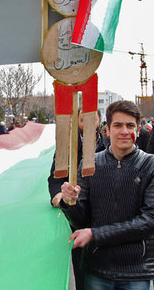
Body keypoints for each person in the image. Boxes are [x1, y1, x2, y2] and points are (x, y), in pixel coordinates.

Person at [60, 100, 154, 289]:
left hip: (136, 270)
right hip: (97, 268)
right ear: (107, 130)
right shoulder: (89, 164)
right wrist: (70, 202)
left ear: (139, 128)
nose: (124, 131)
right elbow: (81, 220)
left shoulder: (152, 165)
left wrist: (96, 234)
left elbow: (151, 221)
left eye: (130, 125)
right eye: (118, 125)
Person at [47, 108, 105, 290]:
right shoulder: (67, 148)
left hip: (105, 216)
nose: (87, 123)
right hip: (78, 216)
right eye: (82, 119)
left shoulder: (110, 146)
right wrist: (58, 196)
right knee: (83, 273)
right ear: (76, 122)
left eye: (91, 119)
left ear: (99, 121)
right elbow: (55, 178)